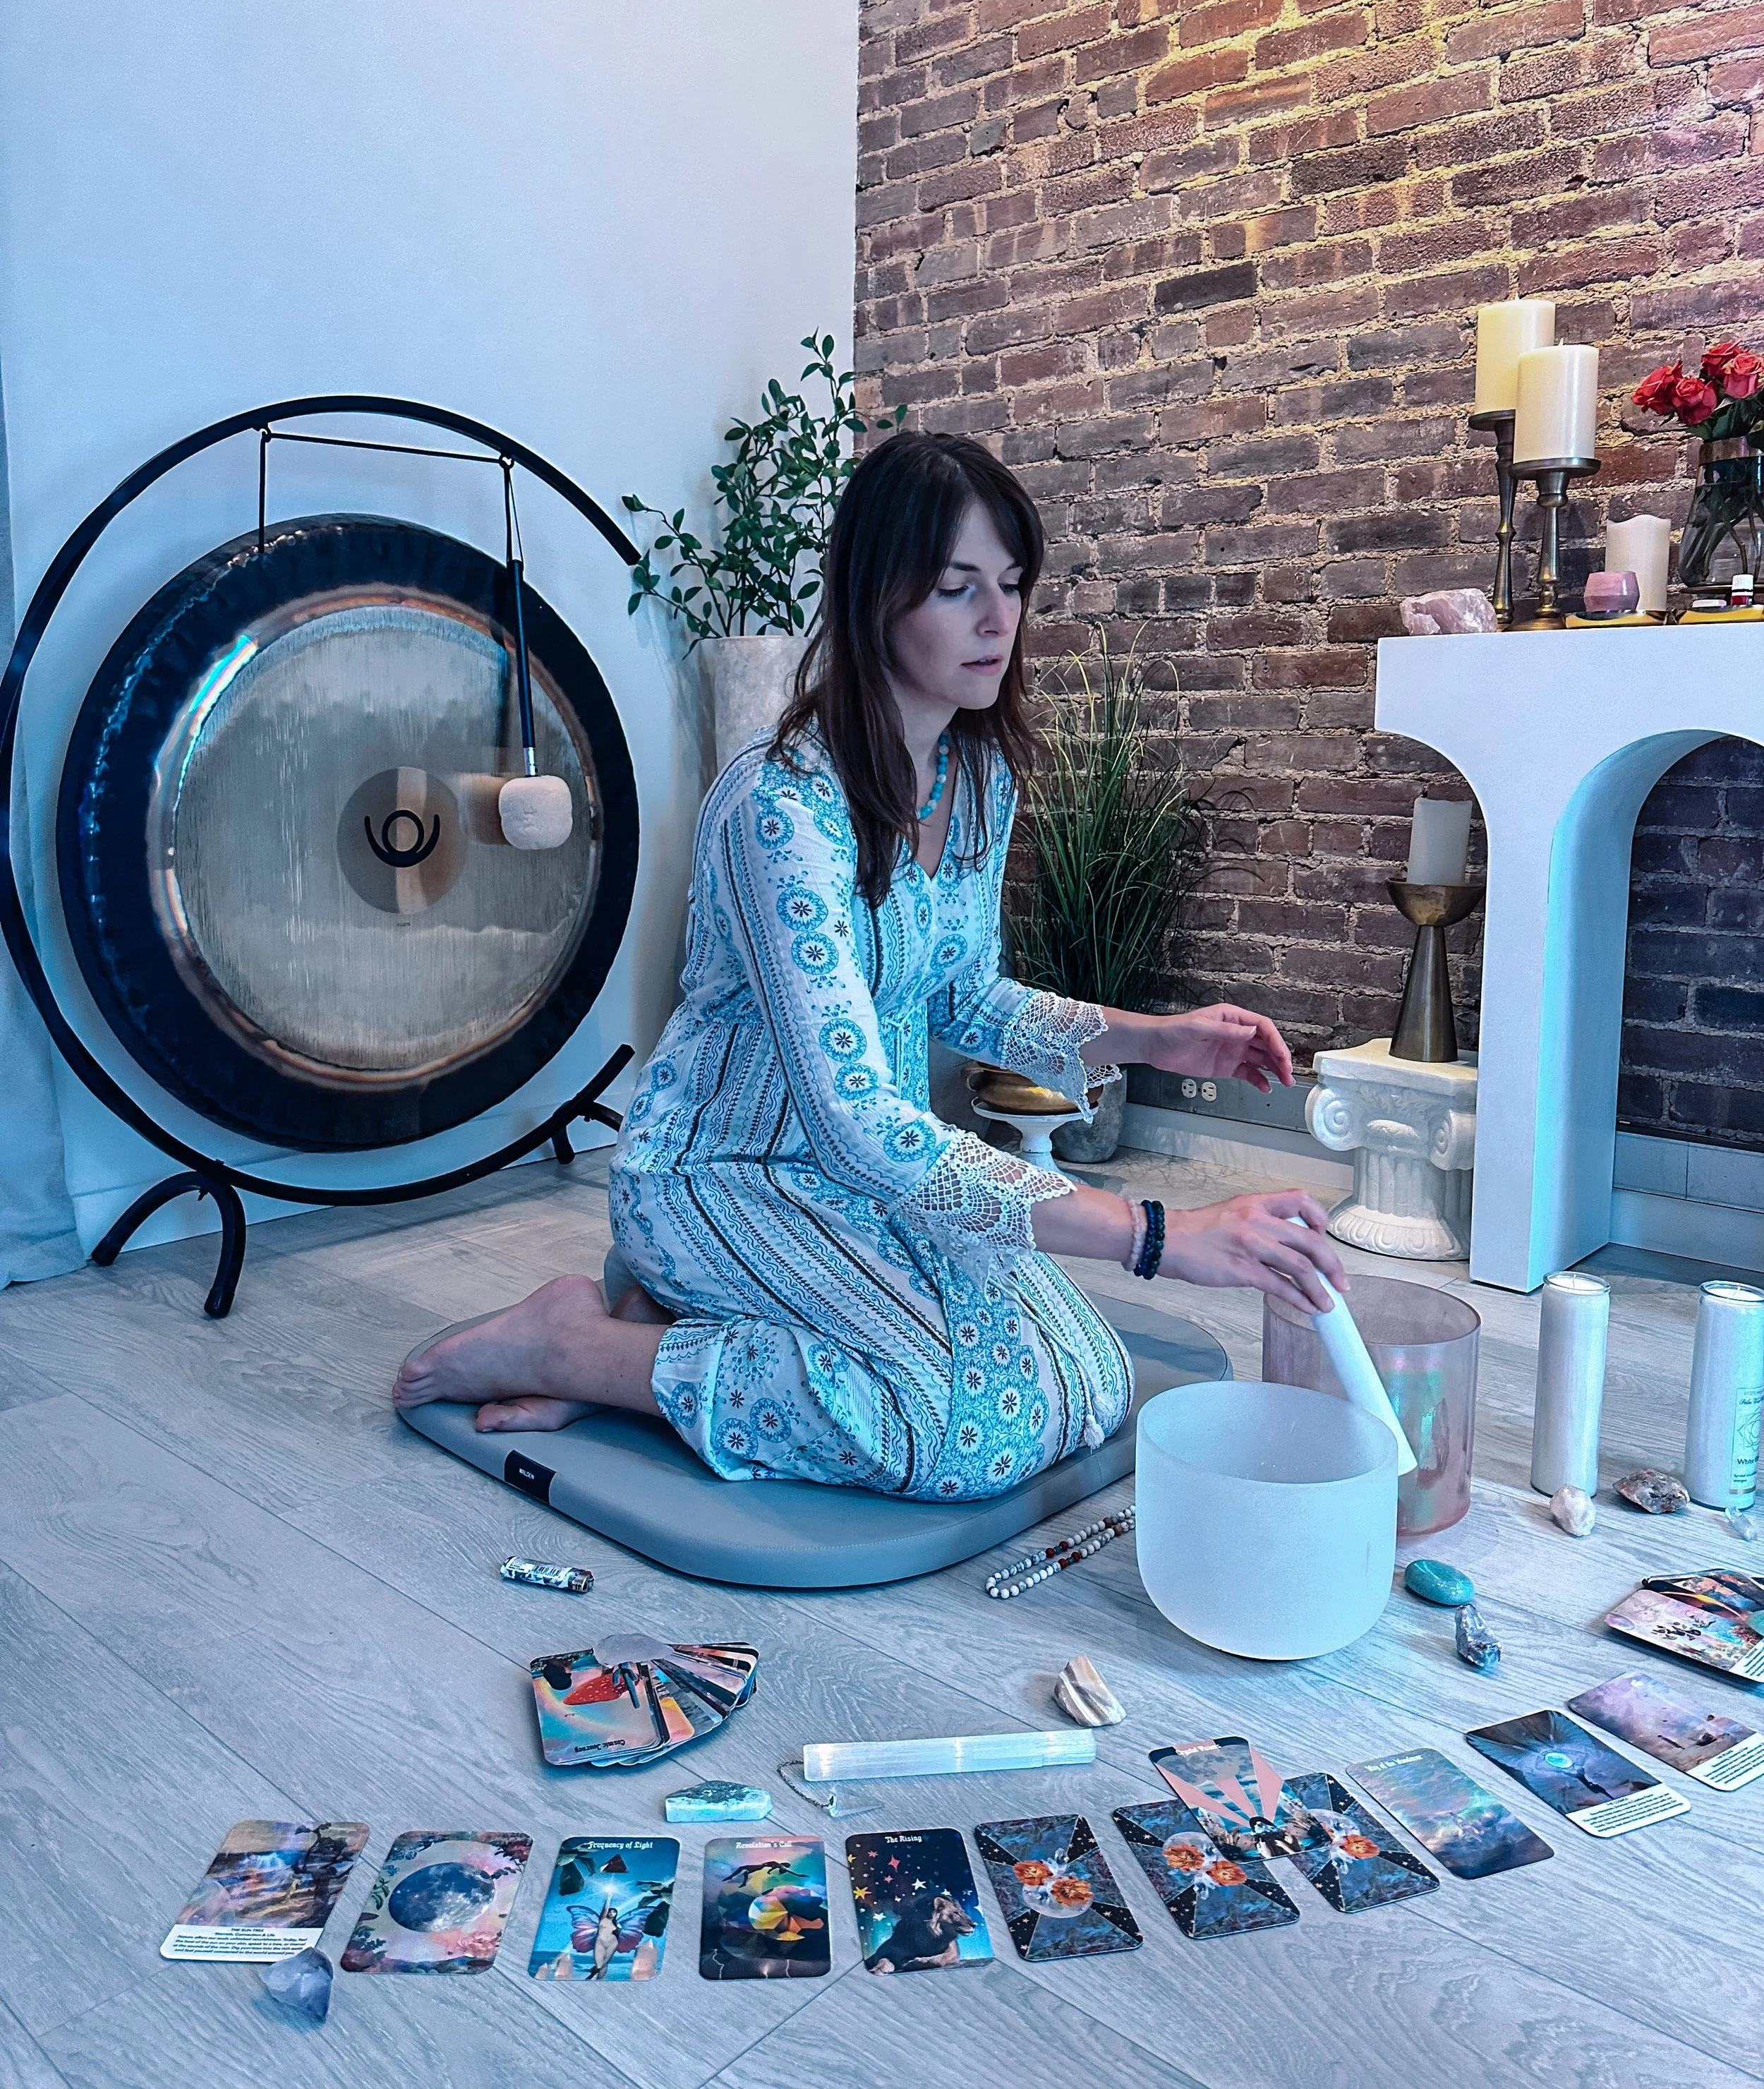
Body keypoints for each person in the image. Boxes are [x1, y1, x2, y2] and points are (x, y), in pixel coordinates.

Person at [394, 431, 1346, 1495]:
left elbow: (966, 994)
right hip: (725, 1172)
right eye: (956, 589)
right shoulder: (779, 806)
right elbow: (855, 1116)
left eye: (1013, 585)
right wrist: (1155, 1233)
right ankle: (578, 1346)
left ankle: (663, 1324)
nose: (999, 620)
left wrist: (1154, 1036)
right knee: (957, 1432)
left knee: (1084, 1383)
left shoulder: (975, 779)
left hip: (875, 1182)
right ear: (874, 599)